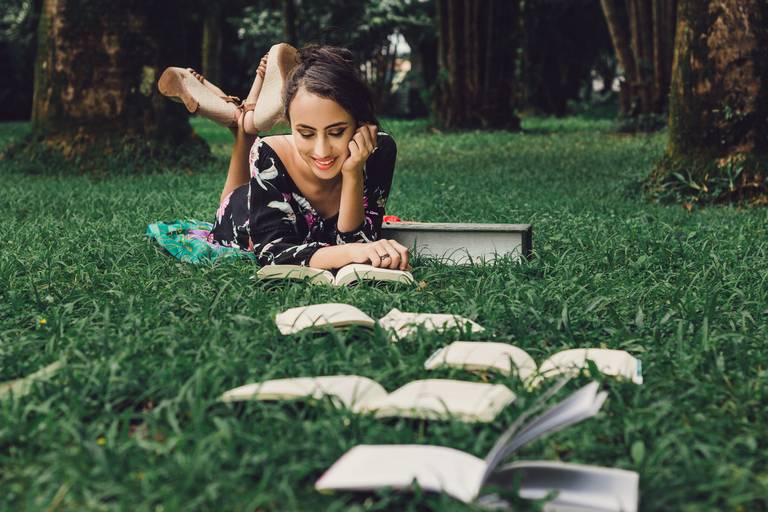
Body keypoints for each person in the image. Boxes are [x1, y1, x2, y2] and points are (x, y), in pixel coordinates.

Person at [158, 44, 409, 270]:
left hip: (273, 191)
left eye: (336, 132)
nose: (322, 150)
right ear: (288, 123)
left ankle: (244, 117)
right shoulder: (270, 153)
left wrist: (353, 172)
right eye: (306, 133)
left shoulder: (378, 151)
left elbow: (357, 243)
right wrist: (352, 252)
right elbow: (273, 254)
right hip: (240, 213)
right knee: (234, 200)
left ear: (359, 122)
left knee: (251, 144)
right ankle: (243, 125)